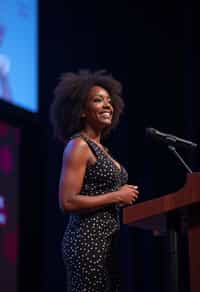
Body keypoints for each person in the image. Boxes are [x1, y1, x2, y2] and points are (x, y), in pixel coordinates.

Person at [50, 69, 139, 292]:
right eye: (98, 100)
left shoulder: (103, 150)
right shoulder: (79, 145)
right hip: (87, 241)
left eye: (109, 101)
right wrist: (116, 196)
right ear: (82, 111)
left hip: (108, 242)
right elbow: (67, 202)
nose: (107, 105)